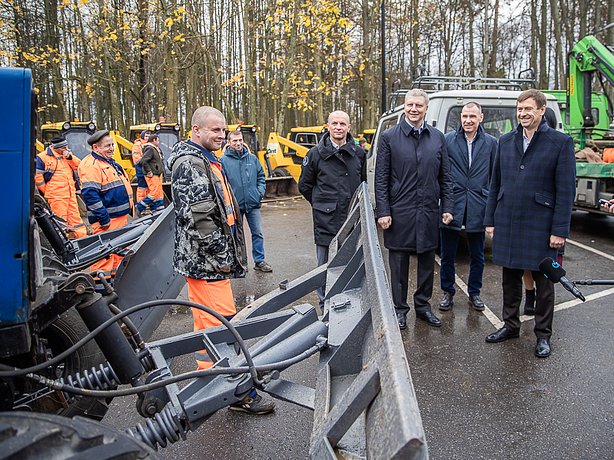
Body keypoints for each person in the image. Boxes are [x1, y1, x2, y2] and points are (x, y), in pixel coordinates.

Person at [168, 106, 274, 415]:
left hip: (209, 261)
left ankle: (215, 378)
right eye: (215, 129)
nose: (221, 134)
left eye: (223, 129)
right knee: (220, 321)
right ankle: (234, 390)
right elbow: (199, 218)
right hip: (207, 262)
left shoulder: (208, 161)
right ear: (196, 130)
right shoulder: (191, 163)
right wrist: (223, 256)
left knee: (209, 323)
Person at [484, 89, 576, 358]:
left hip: (542, 225)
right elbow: (495, 183)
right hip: (508, 221)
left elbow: (566, 190)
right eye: (519, 109)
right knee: (509, 279)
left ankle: (543, 335)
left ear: (541, 109)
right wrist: (490, 219)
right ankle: (510, 325)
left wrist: (559, 230)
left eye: (528, 109)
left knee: (545, 284)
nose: (523, 114)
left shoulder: (560, 142)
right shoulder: (505, 141)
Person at [375, 89, 454, 329]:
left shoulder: (437, 137)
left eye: (419, 105)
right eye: (410, 104)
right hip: (400, 212)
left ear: (426, 108)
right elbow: (381, 178)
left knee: (427, 264)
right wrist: (383, 211)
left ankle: (422, 306)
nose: (414, 109)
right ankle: (399, 309)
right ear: (404, 107)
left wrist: (447, 206)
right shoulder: (389, 137)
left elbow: (446, 176)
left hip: (428, 211)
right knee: (398, 265)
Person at [298, 111, 366, 307]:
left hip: (351, 218)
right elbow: (305, 185)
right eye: (334, 123)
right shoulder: (315, 154)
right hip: (325, 219)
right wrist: (321, 203)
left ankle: (346, 301)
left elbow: (363, 183)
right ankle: (324, 303)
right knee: (324, 265)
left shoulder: (359, 153)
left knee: (350, 262)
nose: (338, 127)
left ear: (349, 127)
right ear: (328, 126)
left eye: (342, 124)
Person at [438, 102, 497, 312]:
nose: (468, 120)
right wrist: (445, 202)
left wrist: (491, 206)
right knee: (447, 254)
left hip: (479, 204)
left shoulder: (491, 143)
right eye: (464, 116)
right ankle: (447, 292)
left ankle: (475, 293)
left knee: (478, 255)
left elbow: (494, 176)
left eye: (472, 116)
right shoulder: (448, 141)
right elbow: (442, 173)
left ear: (481, 117)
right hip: (452, 204)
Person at [78, 130, 134, 276]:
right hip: (108, 222)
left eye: (112, 145)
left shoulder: (109, 162)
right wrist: (103, 219)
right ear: (95, 147)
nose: (111, 148)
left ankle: (114, 287)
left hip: (118, 219)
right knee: (104, 258)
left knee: (117, 255)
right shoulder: (91, 165)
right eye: (107, 146)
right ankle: (101, 288)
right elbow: (90, 195)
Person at [220, 130, 272, 272]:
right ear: (229, 142)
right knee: (236, 235)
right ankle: (240, 262)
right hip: (235, 206)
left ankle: (259, 261)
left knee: (257, 233)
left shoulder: (252, 159)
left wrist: (259, 193)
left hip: (253, 203)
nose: (238, 143)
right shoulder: (223, 161)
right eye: (235, 141)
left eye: (240, 140)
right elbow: (221, 183)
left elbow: (261, 176)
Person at [35, 135, 87, 238]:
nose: (66, 149)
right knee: (60, 221)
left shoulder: (66, 155)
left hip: (70, 194)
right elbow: (38, 178)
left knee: (76, 219)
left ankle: (82, 239)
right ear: (56, 147)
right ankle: (63, 243)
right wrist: (48, 192)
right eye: (64, 147)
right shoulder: (43, 157)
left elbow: (79, 166)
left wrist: (70, 157)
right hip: (56, 196)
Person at [136, 133, 165, 214]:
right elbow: (143, 161)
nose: (159, 142)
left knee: (158, 193)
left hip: (157, 173)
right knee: (154, 192)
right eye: (157, 140)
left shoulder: (155, 149)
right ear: (154, 140)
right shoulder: (150, 149)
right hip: (153, 174)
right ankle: (140, 206)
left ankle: (158, 208)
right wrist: (149, 171)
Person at [132, 130, 151, 208]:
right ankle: (140, 204)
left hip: (149, 168)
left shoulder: (150, 145)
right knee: (142, 187)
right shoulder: (137, 145)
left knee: (149, 187)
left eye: (148, 136)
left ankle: (148, 204)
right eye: (146, 136)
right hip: (141, 168)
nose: (147, 138)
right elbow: (137, 159)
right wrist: (146, 161)